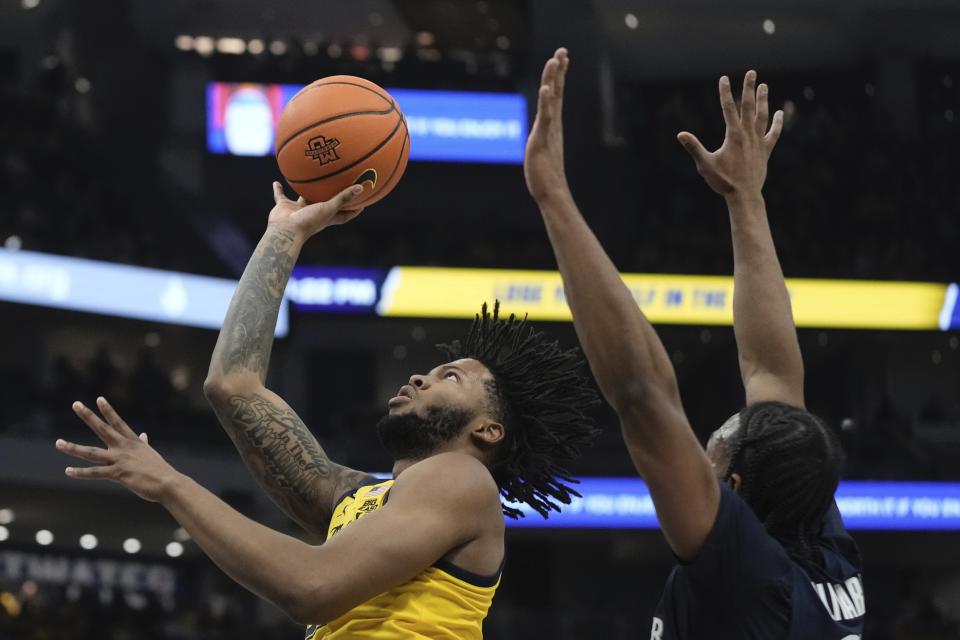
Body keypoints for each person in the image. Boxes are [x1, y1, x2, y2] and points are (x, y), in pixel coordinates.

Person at [56, 182, 599, 639]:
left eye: (448, 377)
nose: (418, 377)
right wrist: (284, 234)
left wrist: (172, 485)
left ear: (488, 429)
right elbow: (232, 385)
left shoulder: (464, 479)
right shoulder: (362, 500)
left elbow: (310, 589)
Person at [524, 48, 865, 638]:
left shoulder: (751, 577)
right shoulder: (815, 539)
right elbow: (772, 373)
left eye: (714, 445)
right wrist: (745, 198)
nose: (699, 454)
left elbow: (642, 396)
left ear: (731, 491)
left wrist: (555, 198)